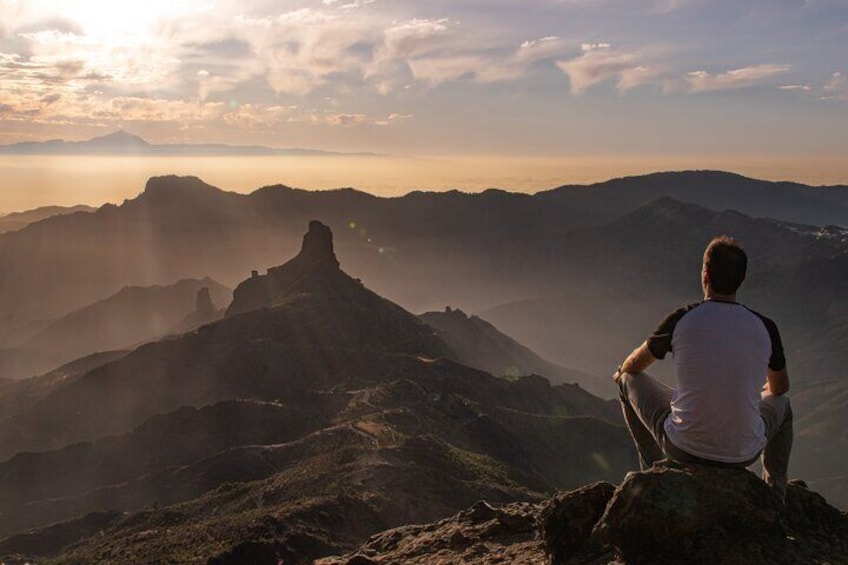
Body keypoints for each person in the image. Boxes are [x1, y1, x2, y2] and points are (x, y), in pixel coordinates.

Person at [613, 235, 793, 498]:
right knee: (784, 406)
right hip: (744, 454)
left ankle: (654, 476)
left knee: (624, 379)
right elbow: (781, 388)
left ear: (705, 274)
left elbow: (635, 366)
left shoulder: (682, 318)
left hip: (683, 447)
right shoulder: (765, 327)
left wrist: (621, 370)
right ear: (742, 280)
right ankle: (775, 493)